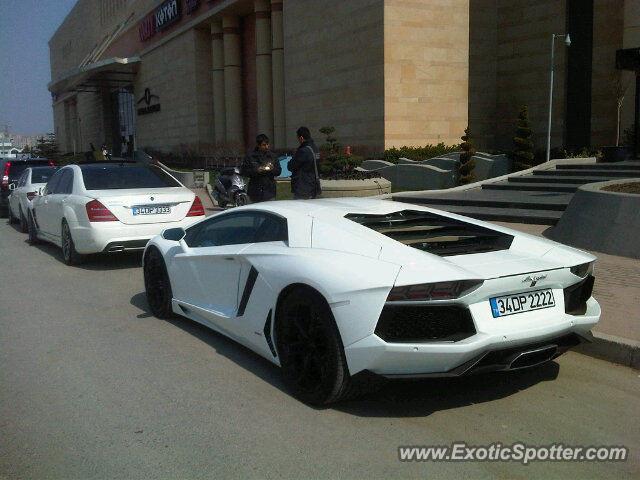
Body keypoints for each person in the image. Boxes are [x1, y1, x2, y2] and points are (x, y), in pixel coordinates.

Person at [241, 134, 281, 203]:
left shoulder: (272, 156)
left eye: (267, 144)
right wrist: (257, 170)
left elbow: (278, 171)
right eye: (264, 145)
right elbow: (244, 171)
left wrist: (272, 169)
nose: (266, 147)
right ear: (258, 145)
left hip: (269, 192)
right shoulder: (251, 156)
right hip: (255, 192)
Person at [288, 126, 321, 200]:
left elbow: (291, 166)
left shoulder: (303, 151)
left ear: (301, 138)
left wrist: (294, 155)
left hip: (303, 187)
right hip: (314, 185)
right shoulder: (315, 148)